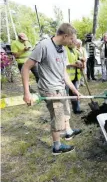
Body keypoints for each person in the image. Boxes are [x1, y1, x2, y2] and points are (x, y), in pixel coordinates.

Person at [22, 23, 82, 155]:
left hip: (60, 87)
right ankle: (57, 147)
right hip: (50, 89)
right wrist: (27, 93)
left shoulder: (62, 48)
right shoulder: (44, 45)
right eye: (71, 39)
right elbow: (25, 67)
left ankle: (68, 132)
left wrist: (74, 89)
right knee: (58, 117)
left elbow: (63, 73)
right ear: (65, 36)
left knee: (65, 113)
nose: (73, 41)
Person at [65, 40, 83, 114]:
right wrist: (74, 65)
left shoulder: (75, 50)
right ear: (70, 42)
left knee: (75, 94)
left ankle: (77, 109)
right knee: (65, 95)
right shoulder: (64, 49)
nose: (75, 44)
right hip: (66, 78)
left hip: (74, 76)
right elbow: (64, 63)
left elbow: (79, 58)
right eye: (74, 43)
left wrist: (80, 61)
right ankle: (65, 112)